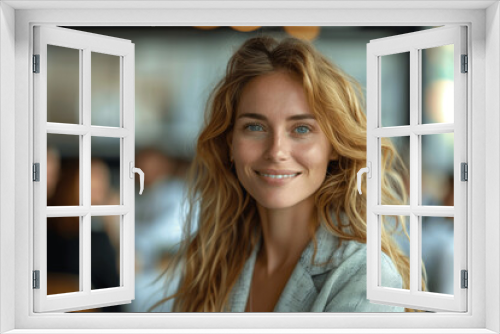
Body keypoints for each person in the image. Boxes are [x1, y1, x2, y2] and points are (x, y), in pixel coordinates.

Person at [150, 36, 411, 312]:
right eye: (254, 127)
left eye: (301, 129)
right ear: (230, 143)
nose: (276, 151)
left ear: (334, 146)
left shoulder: (365, 278)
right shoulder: (211, 263)